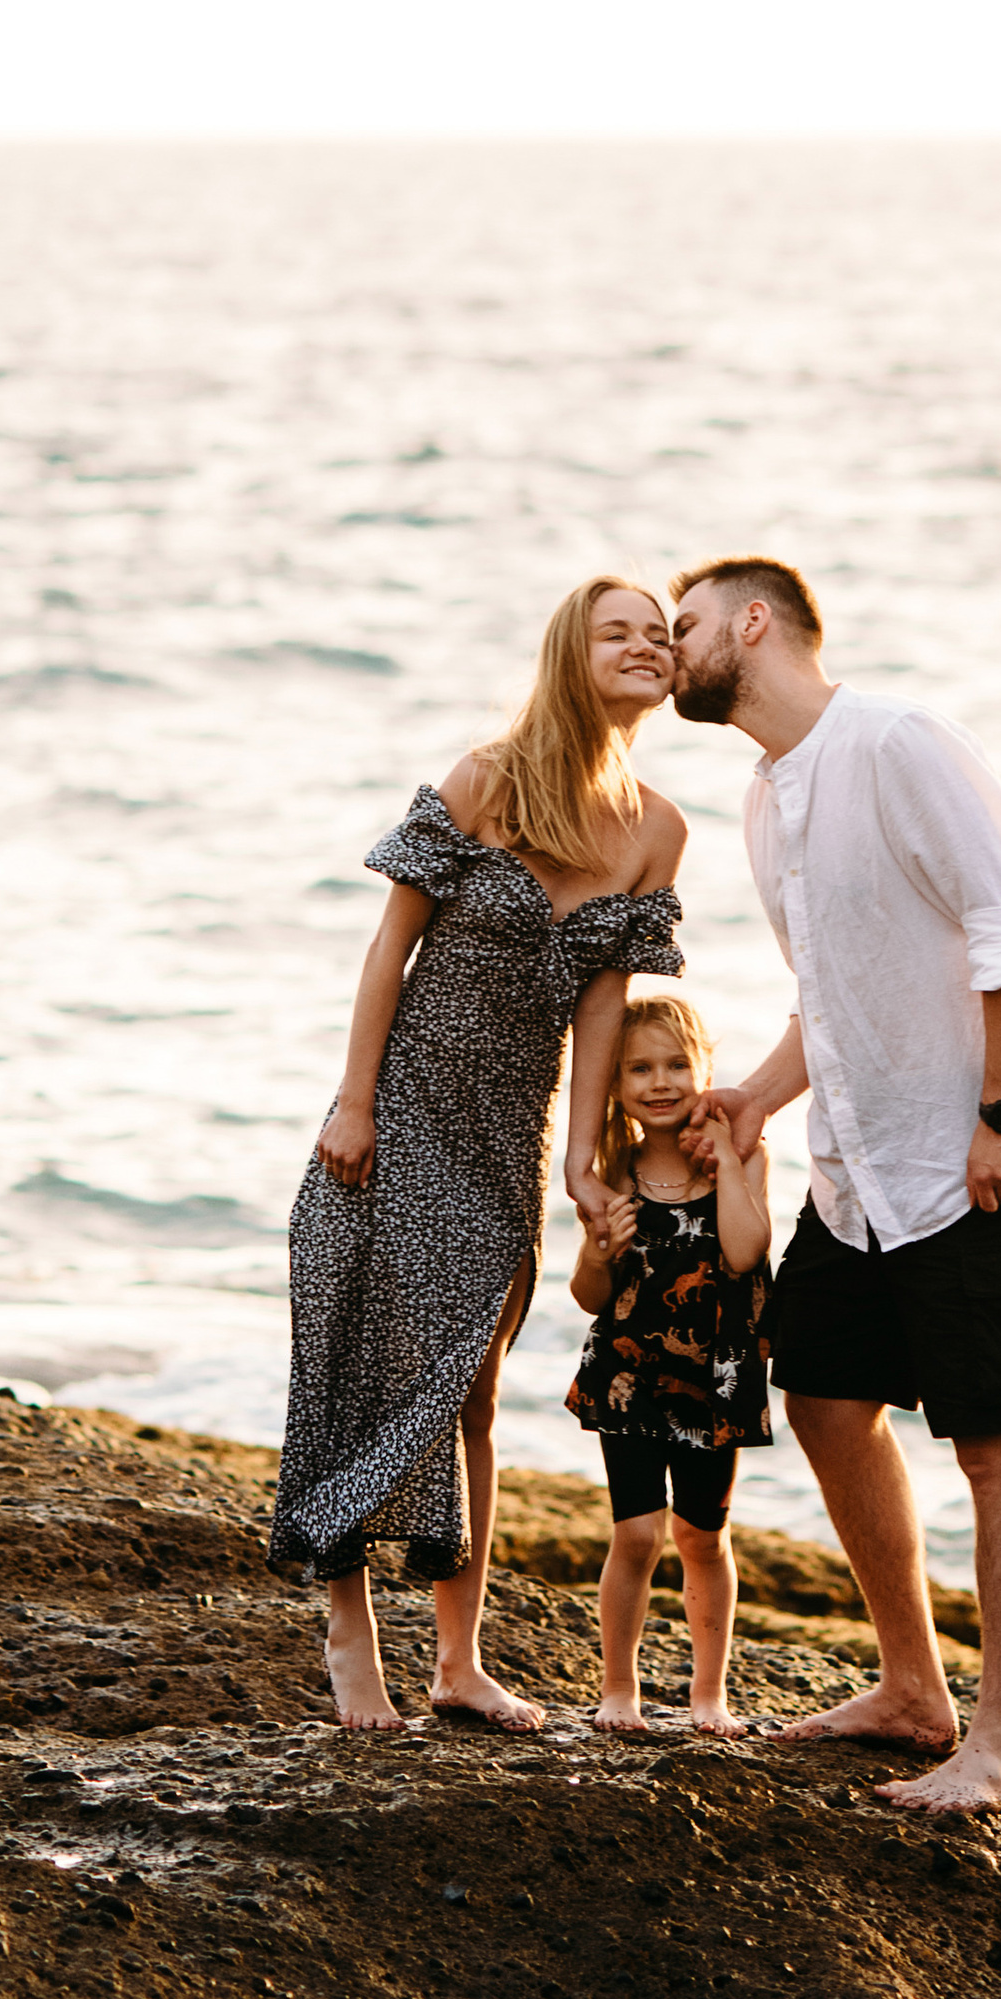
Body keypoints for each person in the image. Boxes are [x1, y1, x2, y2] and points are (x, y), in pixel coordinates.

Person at [667, 554, 1001, 1816]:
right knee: (827, 1401)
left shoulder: (897, 741)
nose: (664, 651)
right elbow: (832, 992)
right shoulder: (759, 797)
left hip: (974, 1160)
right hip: (857, 1170)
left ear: (753, 622)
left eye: (680, 626)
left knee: (993, 1441)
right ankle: (912, 1689)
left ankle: (996, 1744)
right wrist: (755, 1096)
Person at [268, 578, 687, 1733]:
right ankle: (351, 1632)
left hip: (509, 1128)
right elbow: (387, 950)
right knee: (360, 1368)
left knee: (476, 1393)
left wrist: (581, 1163)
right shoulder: (483, 780)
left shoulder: (656, 827)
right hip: (401, 1113)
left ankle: (458, 1662)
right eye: (620, 632)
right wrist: (353, 1105)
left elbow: (604, 1004)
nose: (646, 646)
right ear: (571, 652)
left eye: (660, 635)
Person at [566, 993, 772, 1737]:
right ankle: (618, 1688)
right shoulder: (613, 1169)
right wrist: (599, 1249)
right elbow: (590, 1296)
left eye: (677, 1064)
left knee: (703, 1537)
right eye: (640, 1069)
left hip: (715, 1379)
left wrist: (729, 1161)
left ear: (704, 1069)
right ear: (615, 1086)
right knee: (638, 1534)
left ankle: (707, 1695)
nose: (661, 1081)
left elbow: (746, 1253)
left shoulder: (739, 1156)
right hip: (630, 1372)